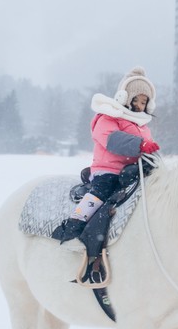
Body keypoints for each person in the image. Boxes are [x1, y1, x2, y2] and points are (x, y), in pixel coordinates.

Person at [51, 67, 160, 242]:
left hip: (131, 172)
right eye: (136, 100)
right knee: (103, 190)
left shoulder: (142, 126)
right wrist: (140, 145)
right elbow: (112, 140)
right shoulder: (109, 117)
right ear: (124, 98)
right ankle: (74, 224)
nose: (140, 105)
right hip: (109, 170)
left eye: (144, 102)